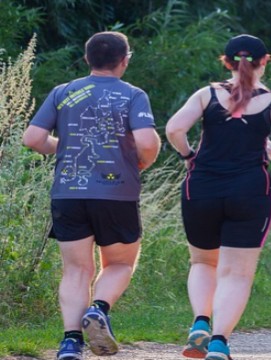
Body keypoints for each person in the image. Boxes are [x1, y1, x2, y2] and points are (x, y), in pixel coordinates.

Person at [165, 34, 271, 360]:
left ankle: (200, 322)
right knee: (237, 273)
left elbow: (174, 129)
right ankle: (219, 343)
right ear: (265, 62)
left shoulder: (207, 95)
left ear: (226, 62)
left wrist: (189, 155)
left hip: (201, 189)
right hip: (251, 193)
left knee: (203, 262)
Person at [22, 31, 161, 360]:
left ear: (87, 59)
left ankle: (70, 343)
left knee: (76, 270)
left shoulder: (62, 92)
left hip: (68, 193)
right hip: (117, 193)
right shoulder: (133, 94)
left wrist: (64, 148)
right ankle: (98, 309)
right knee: (120, 263)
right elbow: (147, 143)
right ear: (124, 60)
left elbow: (33, 139)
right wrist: (141, 162)